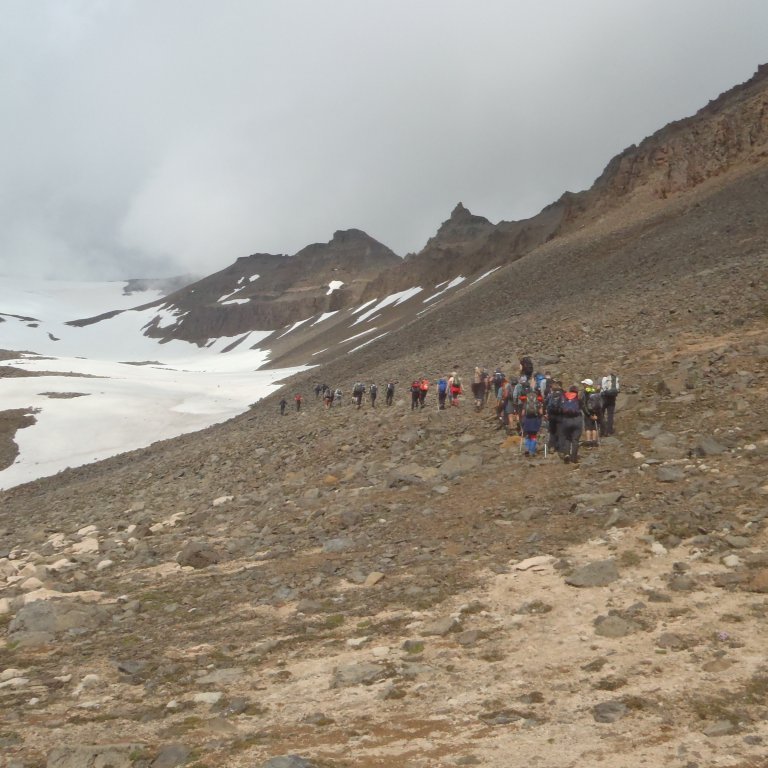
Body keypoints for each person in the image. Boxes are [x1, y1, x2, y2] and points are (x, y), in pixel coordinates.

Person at [559, 385, 583, 463]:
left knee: (567, 438)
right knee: (575, 439)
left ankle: (567, 454)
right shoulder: (578, 399)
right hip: (577, 420)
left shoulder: (564, 397)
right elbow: (582, 407)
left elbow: (560, 408)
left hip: (566, 420)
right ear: (576, 391)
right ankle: (574, 457)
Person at [519, 384, 544, 456]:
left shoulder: (526, 402)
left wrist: (522, 420)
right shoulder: (538, 403)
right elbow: (541, 412)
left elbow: (523, 413)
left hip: (527, 420)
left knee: (527, 435)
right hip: (535, 420)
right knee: (533, 436)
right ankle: (532, 451)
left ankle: (527, 448)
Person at [544, 380, 564, 455]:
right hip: (560, 416)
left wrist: (545, 413)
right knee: (560, 432)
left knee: (552, 432)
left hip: (551, 416)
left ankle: (551, 447)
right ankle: (560, 448)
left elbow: (545, 403)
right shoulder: (562, 394)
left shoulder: (550, 395)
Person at [580, 379, 601, 446]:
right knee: (594, 426)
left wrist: (588, 414)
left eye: (584, 384)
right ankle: (594, 440)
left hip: (588, 411)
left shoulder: (585, 391)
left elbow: (583, 403)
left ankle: (588, 441)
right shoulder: (595, 391)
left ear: (587, 385)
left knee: (588, 427)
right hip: (596, 411)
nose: (583, 385)